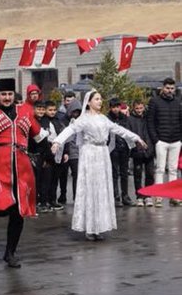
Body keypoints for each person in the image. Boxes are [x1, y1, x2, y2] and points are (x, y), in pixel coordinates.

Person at [0, 73, 50, 268]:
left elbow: (39, 136)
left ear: (14, 95)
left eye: (9, 94)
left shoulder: (25, 111)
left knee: (18, 212)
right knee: (2, 206)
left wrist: (47, 156)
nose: (7, 97)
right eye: (3, 94)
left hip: (21, 166)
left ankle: (10, 252)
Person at [52, 90, 146, 240]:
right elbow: (70, 130)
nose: (100, 101)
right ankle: (90, 228)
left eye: (101, 99)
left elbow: (119, 130)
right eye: (96, 99)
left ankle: (99, 226)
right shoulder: (83, 119)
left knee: (101, 189)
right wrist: (57, 142)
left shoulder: (103, 119)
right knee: (90, 188)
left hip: (102, 154)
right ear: (88, 102)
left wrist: (136, 138)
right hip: (89, 153)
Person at [147, 78, 182, 207]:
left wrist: (180, 139)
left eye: (172, 88)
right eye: (167, 88)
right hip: (161, 140)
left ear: (175, 89)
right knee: (160, 169)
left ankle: (173, 197)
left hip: (176, 140)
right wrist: (155, 140)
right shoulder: (154, 101)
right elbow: (150, 121)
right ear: (163, 88)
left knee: (173, 170)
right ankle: (159, 197)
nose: (169, 90)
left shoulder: (178, 102)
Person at [107, 96, 134, 208]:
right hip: (112, 148)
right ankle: (115, 196)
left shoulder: (125, 118)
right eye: (113, 107)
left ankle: (125, 195)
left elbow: (128, 132)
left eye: (117, 107)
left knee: (124, 173)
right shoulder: (107, 118)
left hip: (124, 148)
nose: (116, 109)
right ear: (110, 108)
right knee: (114, 173)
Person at [128, 98, 154, 205]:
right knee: (137, 174)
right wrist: (135, 146)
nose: (139, 110)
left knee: (150, 174)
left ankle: (148, 195)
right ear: (133, 108)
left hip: (149, 148)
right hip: (137, 150)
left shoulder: (148, 118)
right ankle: (139, 195)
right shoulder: (130, 119)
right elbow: (129, 134)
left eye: (141, 108)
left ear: (144, 107)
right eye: (137, 108)